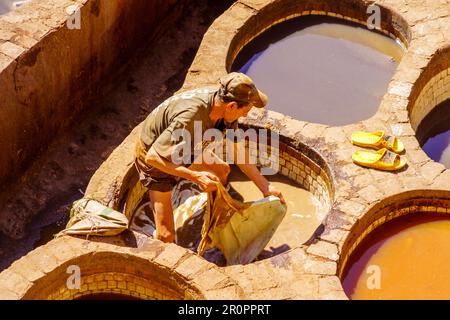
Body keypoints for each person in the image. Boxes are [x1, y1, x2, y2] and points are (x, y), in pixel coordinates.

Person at [134, 72, 285, 243]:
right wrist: (195, 176)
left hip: (186, 145)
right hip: (157, 158)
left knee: (222, 170)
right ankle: (154, 239)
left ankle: (216, 212)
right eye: (246, 111)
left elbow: (236, 150)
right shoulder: (191, 116)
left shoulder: (224, 104)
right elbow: (153, 158)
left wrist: (265, 186)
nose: (245, 116)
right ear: (232, 106)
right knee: (166, 236)